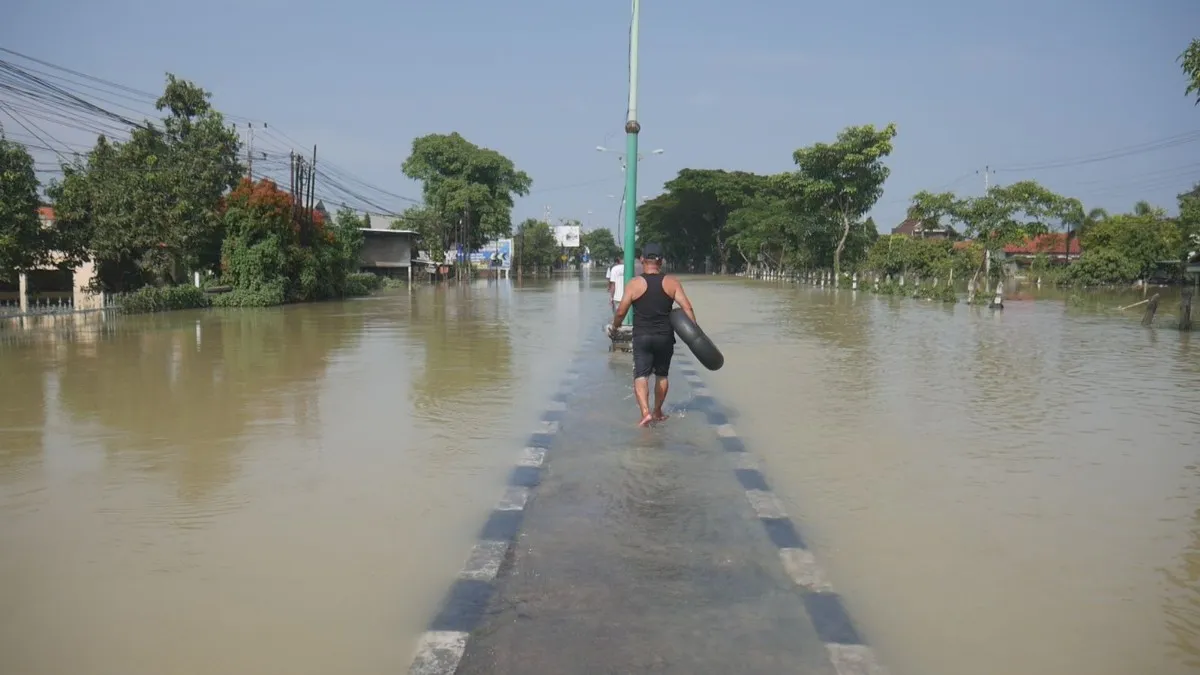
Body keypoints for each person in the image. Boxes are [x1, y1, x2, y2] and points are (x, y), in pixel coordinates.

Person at [610, 243, 696, 427]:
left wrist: (615, 327)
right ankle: (657, 410)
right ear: (661, 261)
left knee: (641, 375)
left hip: (641, 337)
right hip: (665, 336)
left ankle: (645, 413)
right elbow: (687, 307)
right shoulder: (671, 282)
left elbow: (621, 312)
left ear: (642, 260)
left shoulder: (634, 284)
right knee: (662, 375)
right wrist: (695, 336)